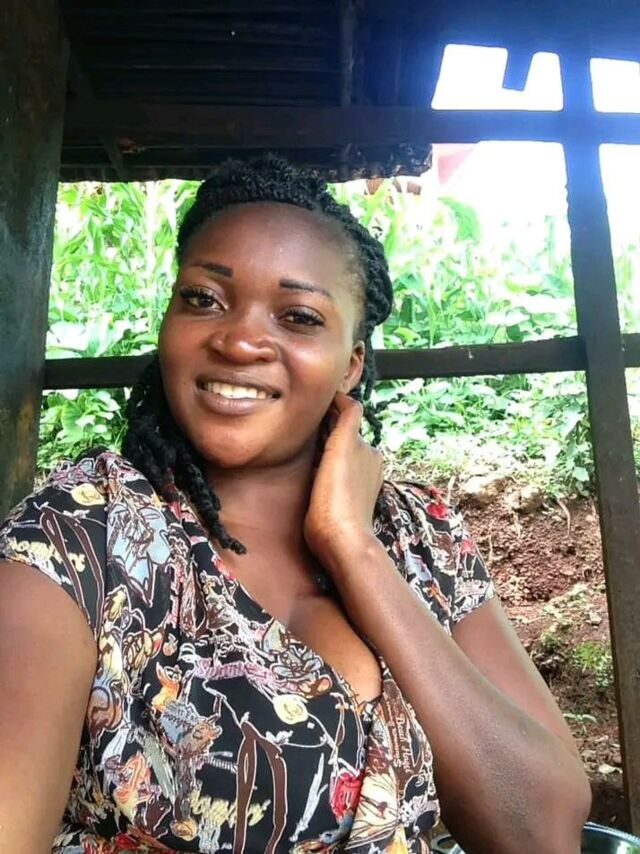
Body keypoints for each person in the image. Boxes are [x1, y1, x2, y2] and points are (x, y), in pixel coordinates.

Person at [0, 155, 590, 854]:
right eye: (203, 299)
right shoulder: (78, 538)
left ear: (352, 364)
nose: (238, 340)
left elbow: (543, 832)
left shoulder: (420, 536)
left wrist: (354, 550)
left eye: (299, 316)